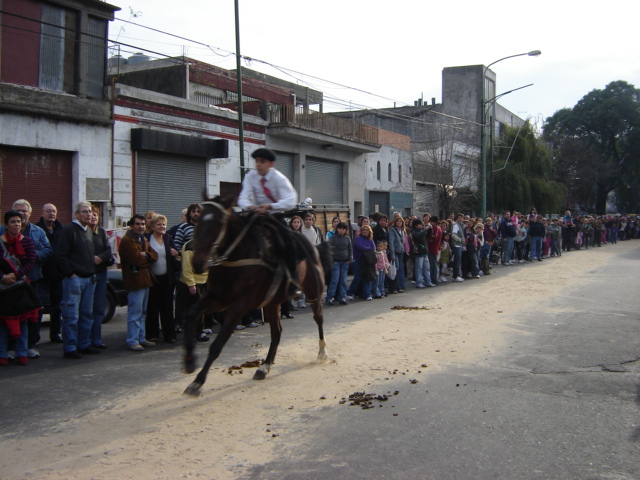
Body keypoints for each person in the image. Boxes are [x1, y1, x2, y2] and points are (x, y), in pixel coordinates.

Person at [237, 148, 300, 296]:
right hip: (255, 215)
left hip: (274, 216)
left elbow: (291, 200)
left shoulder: (279, 178)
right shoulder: (251, 176)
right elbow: (243, 196)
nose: (258, 165)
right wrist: (249, 206)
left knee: (288, 243)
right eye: (257, 161)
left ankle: (293, 280)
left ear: (271, 164)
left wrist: (271, 206)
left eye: (262, 162)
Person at [0, 199, 53, 358]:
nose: (20, 217)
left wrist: (19, 272)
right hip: (5, 285)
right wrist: (4, 276)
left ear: (29, 213)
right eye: (18, 212)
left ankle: (29, 346)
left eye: (24, 211)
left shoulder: (36, 232)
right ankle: (7, 350)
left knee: (30, 317)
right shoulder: (1, 236)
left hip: (30, 281)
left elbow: (46, 251)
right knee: (5, 319)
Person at [56, 201, 99, 359]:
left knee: (87, 314)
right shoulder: (68, 230)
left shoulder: (88, 230)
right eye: (84, 212)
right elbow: (61, 255)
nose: (88, 214)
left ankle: (84, 344)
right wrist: (70, 274)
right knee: (71, 316)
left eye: (89, 211)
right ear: (76, 214)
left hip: (89, 279)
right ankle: (70, 347)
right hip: (74, 279)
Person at [0, 210, 39, 365]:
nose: (16, 225)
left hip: (22, 286)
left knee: (23, 321)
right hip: (4, 287)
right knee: (2, 322)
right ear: (6, 225)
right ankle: (2, 353)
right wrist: (3, 277)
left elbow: (31, 261)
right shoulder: (1, 242)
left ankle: (22, 352)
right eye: (13, 222)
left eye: (18, 222)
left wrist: (16, 275)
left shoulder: (27, 241)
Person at [119, 214, 158, 352]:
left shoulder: (143, 239)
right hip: (135, 280)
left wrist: (146, 254)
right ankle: (133, 340)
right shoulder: (127, 241)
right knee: (135, 313)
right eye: (137, 224)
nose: (141, 226)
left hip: (145, 279)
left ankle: (141, 338)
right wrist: (146, 256)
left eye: (142, 224)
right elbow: (137, 260)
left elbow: (155, 255)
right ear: (131, 226)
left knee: (142, 312)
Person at [145, 214, 180, 344]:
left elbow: (176, 253)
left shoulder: (168, 238)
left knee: (167, 307)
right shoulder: (147, 239)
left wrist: (177, 253)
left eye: (164, 224)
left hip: (167, 279)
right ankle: (152, 335)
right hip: (152, 279)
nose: (162, 227)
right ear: (152, 226)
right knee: (152, 307)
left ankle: (169, 335)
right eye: (159, 224)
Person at [36, 203, 64, 343]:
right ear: (42, 213)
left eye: (53, 211)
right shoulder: (36, 230)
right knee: (38, 306)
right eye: (48, 211)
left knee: (57, 306)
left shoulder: (61, 229)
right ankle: (35, 337)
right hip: (42, 275)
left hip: (58, 274)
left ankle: (55, 333)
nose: (51, 214)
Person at [89, 205, 113, 349]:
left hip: (101, 272)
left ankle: (96, 339)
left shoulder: (102, 232)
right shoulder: (82, 233)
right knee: (86, 309)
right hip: (86, 273)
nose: (93, 217)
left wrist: (100, 258)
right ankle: (85, 339)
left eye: (95, 215)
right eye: (90, 214)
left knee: (98, 308)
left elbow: (108, 251)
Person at [346, 225, 376, 301]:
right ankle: (350, 292)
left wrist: (369, 250)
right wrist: (369, 249)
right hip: (358, 261)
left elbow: (374, 249)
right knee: (357, 277)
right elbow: (360, 247)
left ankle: (367, 294)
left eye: (367, 230)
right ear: (361, 231)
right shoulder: (357, 238)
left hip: (367, 261)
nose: (365, 231)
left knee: (367, 278)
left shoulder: (370, 240)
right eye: (363, 230)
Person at [326, 222, 352, 305]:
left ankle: (342, 297)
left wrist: (349, 260)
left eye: (343, 229)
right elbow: (329, 250)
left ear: (345, 230)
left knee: (343, 281)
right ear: (337, 229)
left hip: (345, 262)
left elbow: (350, 249)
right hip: (335, 262)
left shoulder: (347, 238)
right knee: (335, 280)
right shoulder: (333, 238)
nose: (341, 230)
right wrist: (331, 261)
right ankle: (330, 297)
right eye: (340, 228)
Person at [411, 219, 435, 288]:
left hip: (424, 251)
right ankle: (419, 282)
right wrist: (425, 230)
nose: (421, 225)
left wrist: (429, 229)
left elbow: (428, 235)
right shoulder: (414, 232)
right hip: (419, 252)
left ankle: (428, 281)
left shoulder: (422, 231)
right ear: (416, 225)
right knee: (419, 268)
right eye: (420, 224)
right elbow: (419, 236)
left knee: (427, 268)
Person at [388, 217, 407, 293]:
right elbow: (391, 243)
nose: (399, 222)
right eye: (398, 221)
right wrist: (392, 254)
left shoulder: (402, 230)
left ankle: (398, 286)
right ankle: (393, 288)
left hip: (401, 252)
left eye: (400, 221)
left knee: (399, 270)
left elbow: (403, 242)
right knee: (395, 269)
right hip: (395, 252)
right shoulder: (392, 230)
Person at [427, 216, 442, 286]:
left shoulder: (436, 229)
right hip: (431, 248)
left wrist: (428, 235)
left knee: (433, 265)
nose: (430, 223)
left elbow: (434, 237)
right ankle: (433, 279)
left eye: (432, 222)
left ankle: (434, 279)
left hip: (433, 248)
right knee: (432, 264)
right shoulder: (434, 228)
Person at [450, 213, 466, 282]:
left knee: (458, 261)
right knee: (457, 261)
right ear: (457, 218)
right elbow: (453, 235)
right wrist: (460, 240)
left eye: (461, 217)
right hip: (456, 245)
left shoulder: (460, 225)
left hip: (459, 245)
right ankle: (456, 275)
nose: (460, 219)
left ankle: (456, 275)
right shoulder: (456, 225)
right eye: (459, 217)